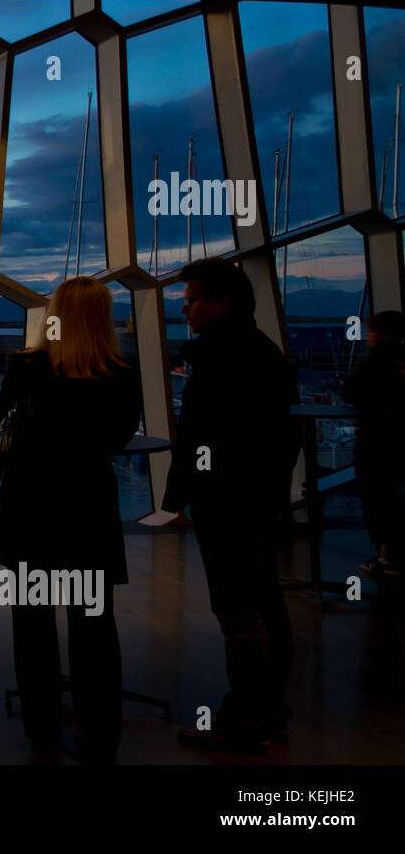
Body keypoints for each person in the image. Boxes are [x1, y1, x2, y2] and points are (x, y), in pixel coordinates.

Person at [0, 276, 140, 764]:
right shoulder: (120, 375)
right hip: (87, 512)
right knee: (94, 629)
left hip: (31, 510)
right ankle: (100, 736)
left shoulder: (29, 368)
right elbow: (116, 439)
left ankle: (43, 730)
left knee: (32, 629)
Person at [163, 258, 299, 755]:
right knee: (264, 603)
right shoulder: (263, 355)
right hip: (253, 502)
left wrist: (192, 492)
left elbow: (206, 437)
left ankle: (243, 721)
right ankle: (269, 713)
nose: (185, 309)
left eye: (192, 300)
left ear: (221, 305)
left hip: (229, 505)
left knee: (240, 612)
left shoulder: (224, 361)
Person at [341, 311, 405, 577]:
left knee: (378, 497)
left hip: (376, 442)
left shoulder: (375, 363)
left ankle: (389, 557)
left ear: (384, 334)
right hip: (395, 440)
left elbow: (350, 391)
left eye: (372, 331)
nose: (367, 335)